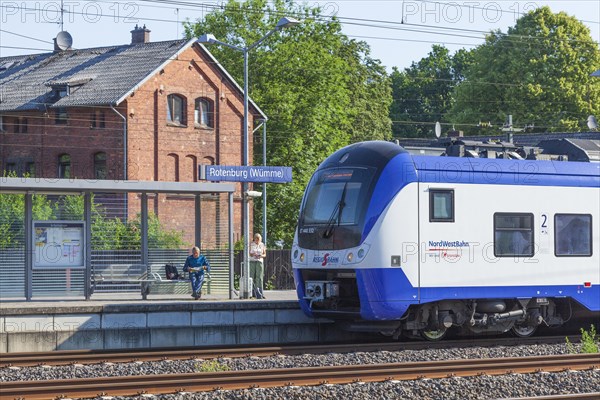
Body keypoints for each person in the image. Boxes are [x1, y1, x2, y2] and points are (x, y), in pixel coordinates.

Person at [249, 233, 267, 299]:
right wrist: (253, 254)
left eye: (258, 239)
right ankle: (251, 293)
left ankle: (260, 292)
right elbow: (249, 253)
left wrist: (260, 256)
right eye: (256, 239)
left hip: (259, 261)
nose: (257, 241)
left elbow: (264, 254)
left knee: (259, 277)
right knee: (251, 276)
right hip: (252, 261)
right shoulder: (251, 244)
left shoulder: (262, 245)